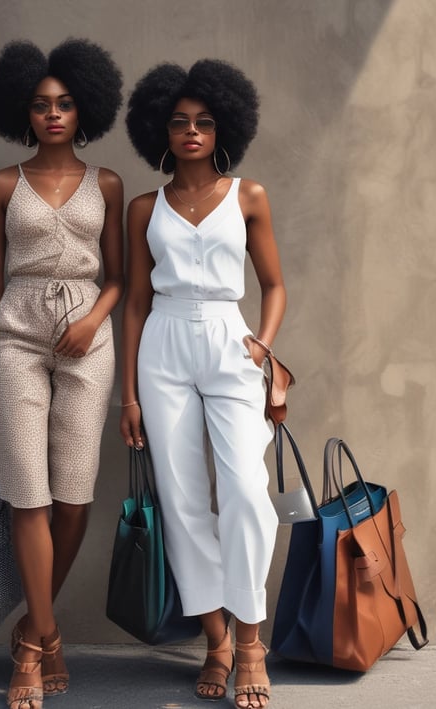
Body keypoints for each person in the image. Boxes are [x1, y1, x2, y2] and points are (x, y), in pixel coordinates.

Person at [0, 38, 124, 709]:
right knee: (29, 493)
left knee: (75, 498)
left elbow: (122, 277)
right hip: (16, 338)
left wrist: (93, 318)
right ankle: (38, 642)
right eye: (40, 105)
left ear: (85, 109)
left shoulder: (106, 183)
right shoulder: (4, 183)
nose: (53, 114)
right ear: (21, 113)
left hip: (89, 339)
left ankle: (32, 623)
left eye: (65, 103)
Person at [119, 59, 285, 709]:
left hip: (228, 342)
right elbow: (134, 301)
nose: (192, 131)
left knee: (245, 487)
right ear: (160, 129)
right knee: (183, 499)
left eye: (205, 121)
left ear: (225, 129)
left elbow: (274, 285)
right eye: (180, 121)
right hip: (161, 345)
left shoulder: (249, 196)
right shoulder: (143, 207)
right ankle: (216, 641)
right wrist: (127, 394)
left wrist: (262, 344)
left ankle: (251, 638)